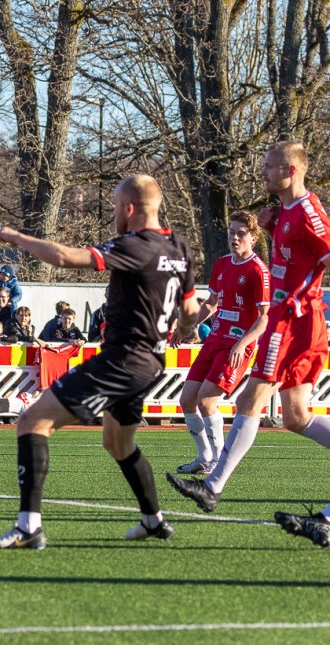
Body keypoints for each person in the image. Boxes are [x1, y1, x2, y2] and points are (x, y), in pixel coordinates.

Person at [0, 174, 196, 549]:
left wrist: (17, 238)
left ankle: (28, 527)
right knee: (117, 443)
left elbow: (65, 257)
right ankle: (153, 519)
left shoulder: (135, 244)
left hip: (123, 361)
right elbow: (190, 313)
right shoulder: (179, 247)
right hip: (151, 363)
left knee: (33, 421)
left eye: (115, 206)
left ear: (129, 209)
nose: (115, 213)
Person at [166, 142, 330, 548]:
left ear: (291, 170)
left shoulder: (308, 211)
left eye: (270, 166)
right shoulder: (285, 213)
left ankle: (213, 485)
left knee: (248, 403)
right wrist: (273, 228)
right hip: (287, 320)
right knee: (294, 417)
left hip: (294, 320)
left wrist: (300, 296)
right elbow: (297, 258)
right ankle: (215, 483)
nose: (263, 172)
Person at [174, 211, 269, 476]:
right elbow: (212, 304)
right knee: (187, 399)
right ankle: (204, 456)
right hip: (214, 340)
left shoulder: (258, 271)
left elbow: (264, 318)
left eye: (241, 234)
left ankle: (218, 460)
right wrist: (187, 325)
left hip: (236, 346)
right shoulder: (222, 264)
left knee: (206, 401)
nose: (235, 238)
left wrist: (242, 344)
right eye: (231, 232)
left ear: (253, 238)